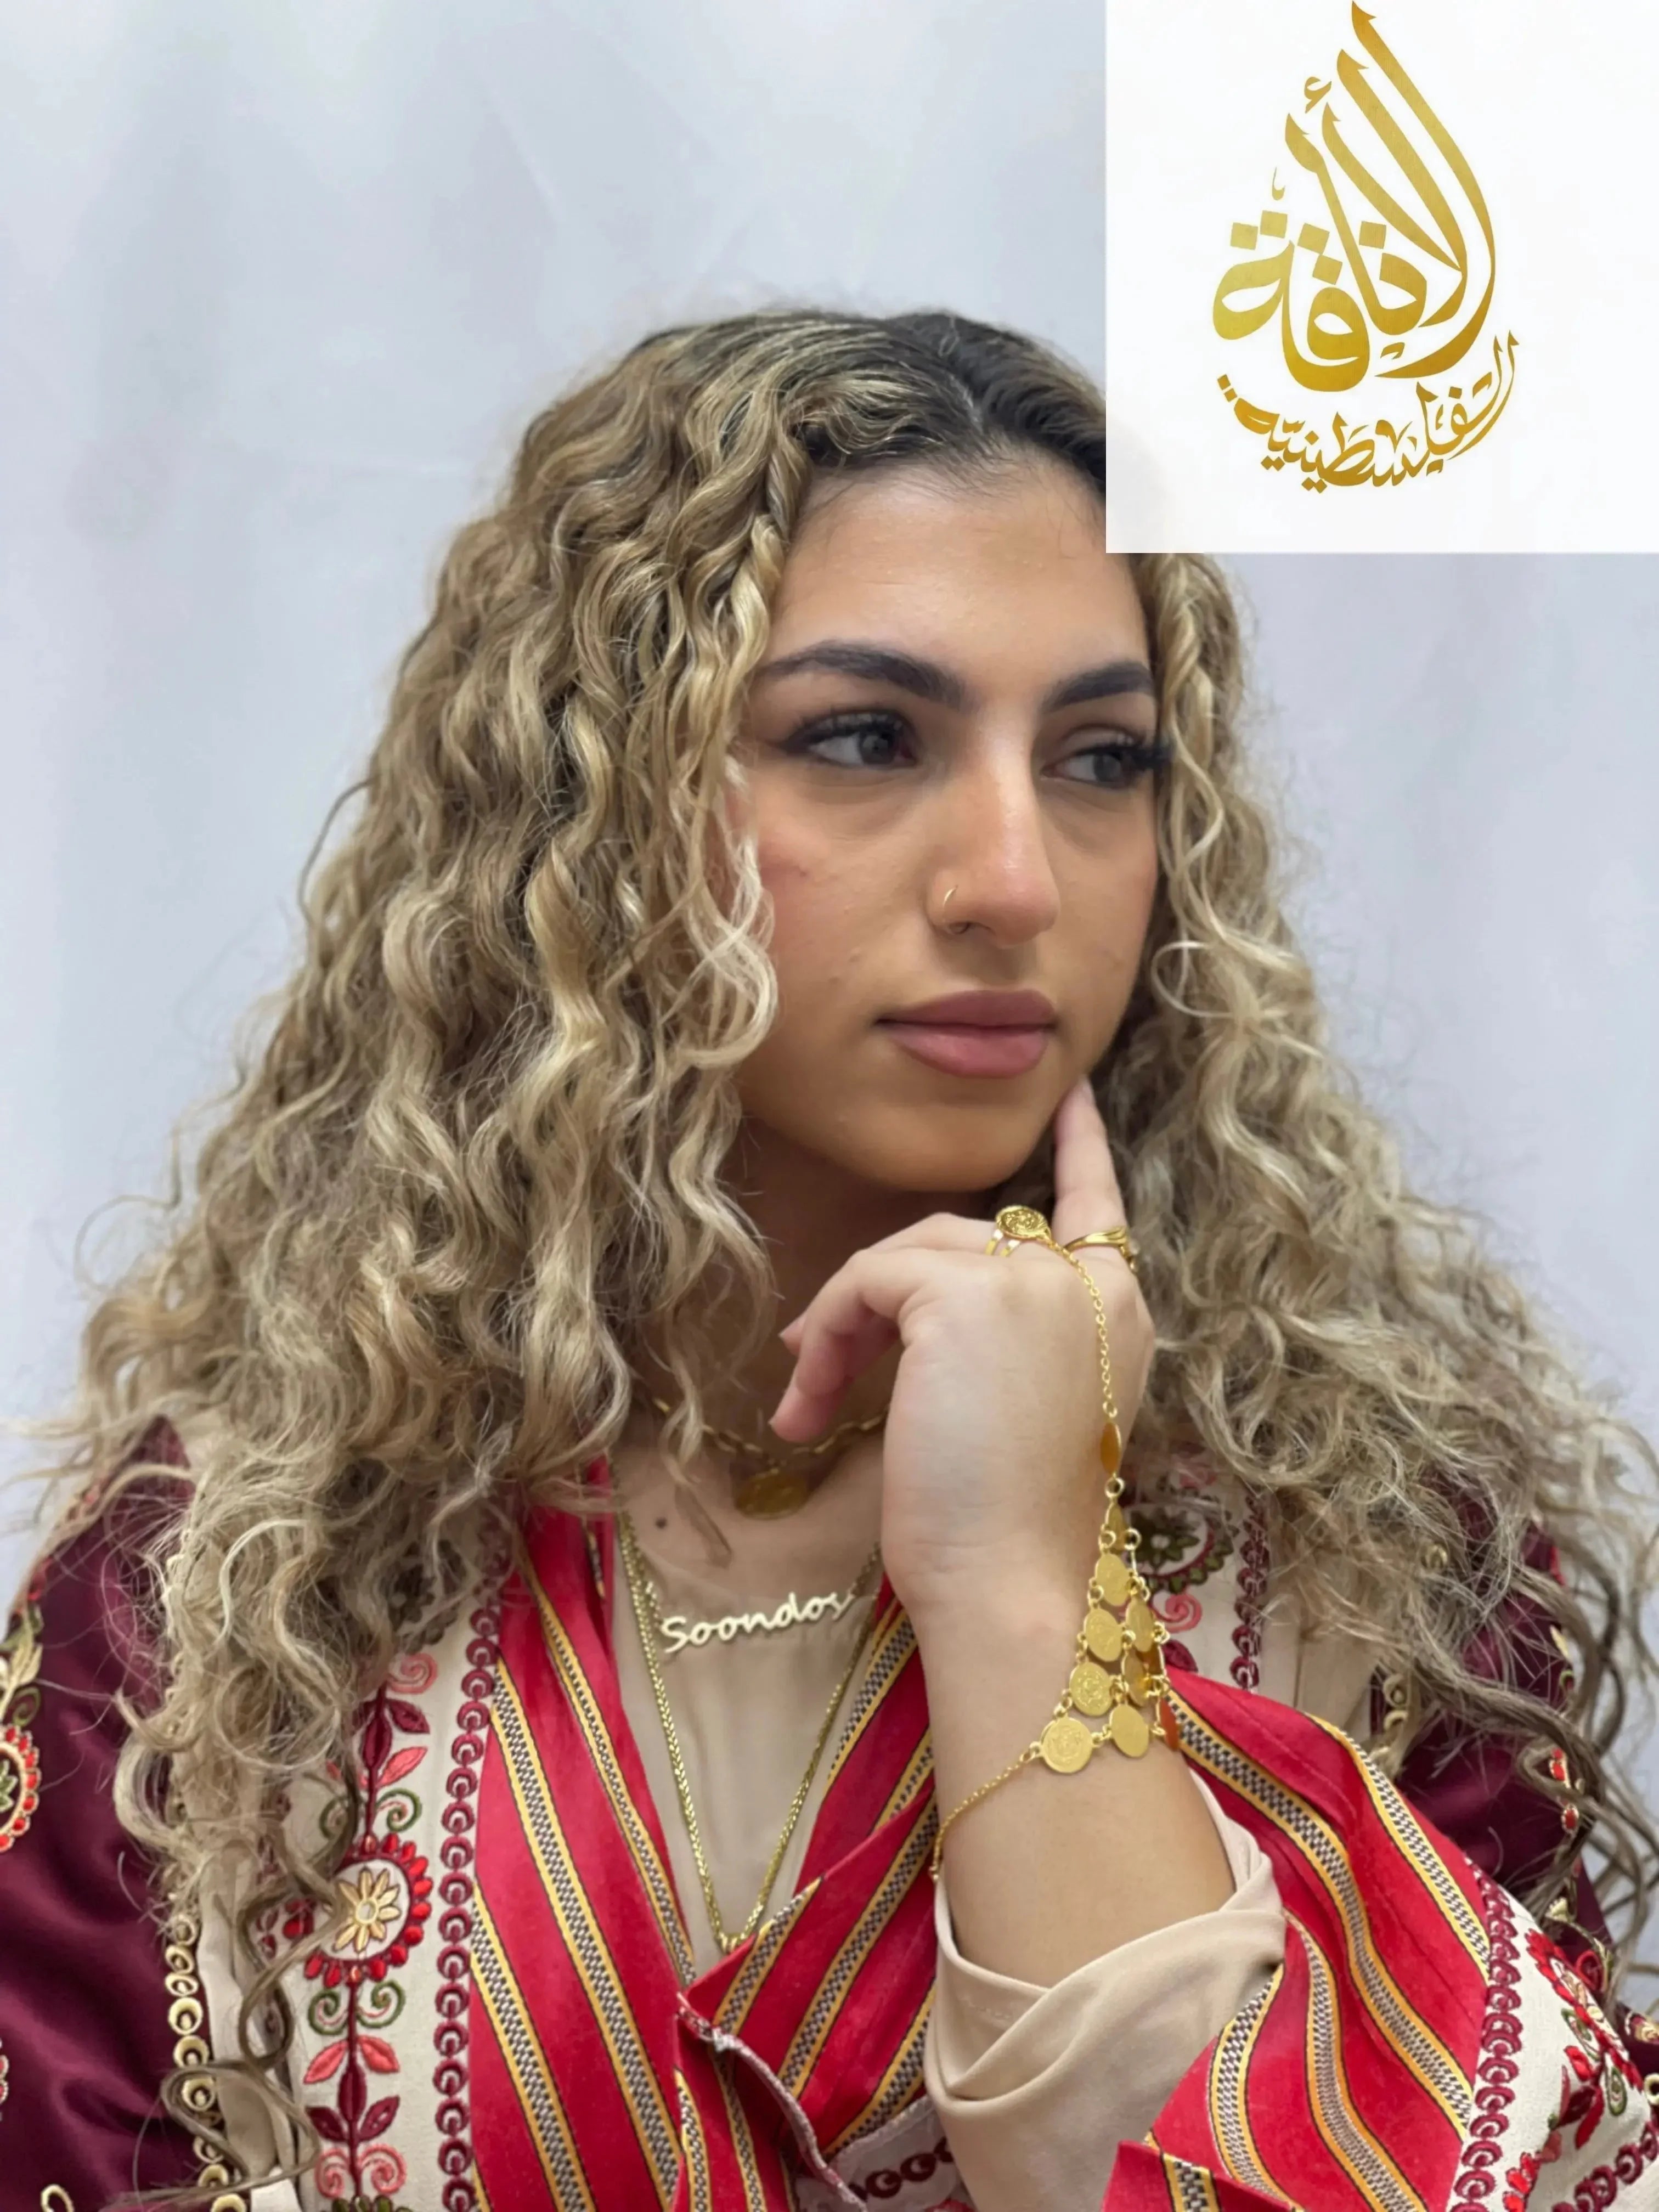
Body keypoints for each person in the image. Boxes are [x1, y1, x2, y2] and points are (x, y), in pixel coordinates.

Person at [3, 307, 1657, 2212]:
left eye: (1105, 759)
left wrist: (1033, 1587)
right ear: (594, 814)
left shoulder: (1373, 1556)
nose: (1016, 879)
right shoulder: (225, 1603)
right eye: (867, 739)